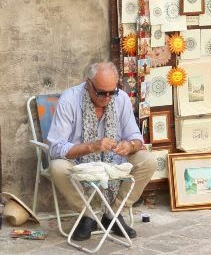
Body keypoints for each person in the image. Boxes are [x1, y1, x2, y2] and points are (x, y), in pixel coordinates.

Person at [47, 62, 156, 241]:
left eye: (111, 92)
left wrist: (130, 145)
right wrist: (91, 146)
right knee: (57, 167)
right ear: (88, 83)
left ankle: (112, 214)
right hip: (79, 164)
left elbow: (137, 137)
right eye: (101, 92)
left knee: (148, 160)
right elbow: (56, 147)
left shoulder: (120, 98)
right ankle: (89, 215)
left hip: (113, 163)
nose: (107, 98)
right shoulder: (69, 100)